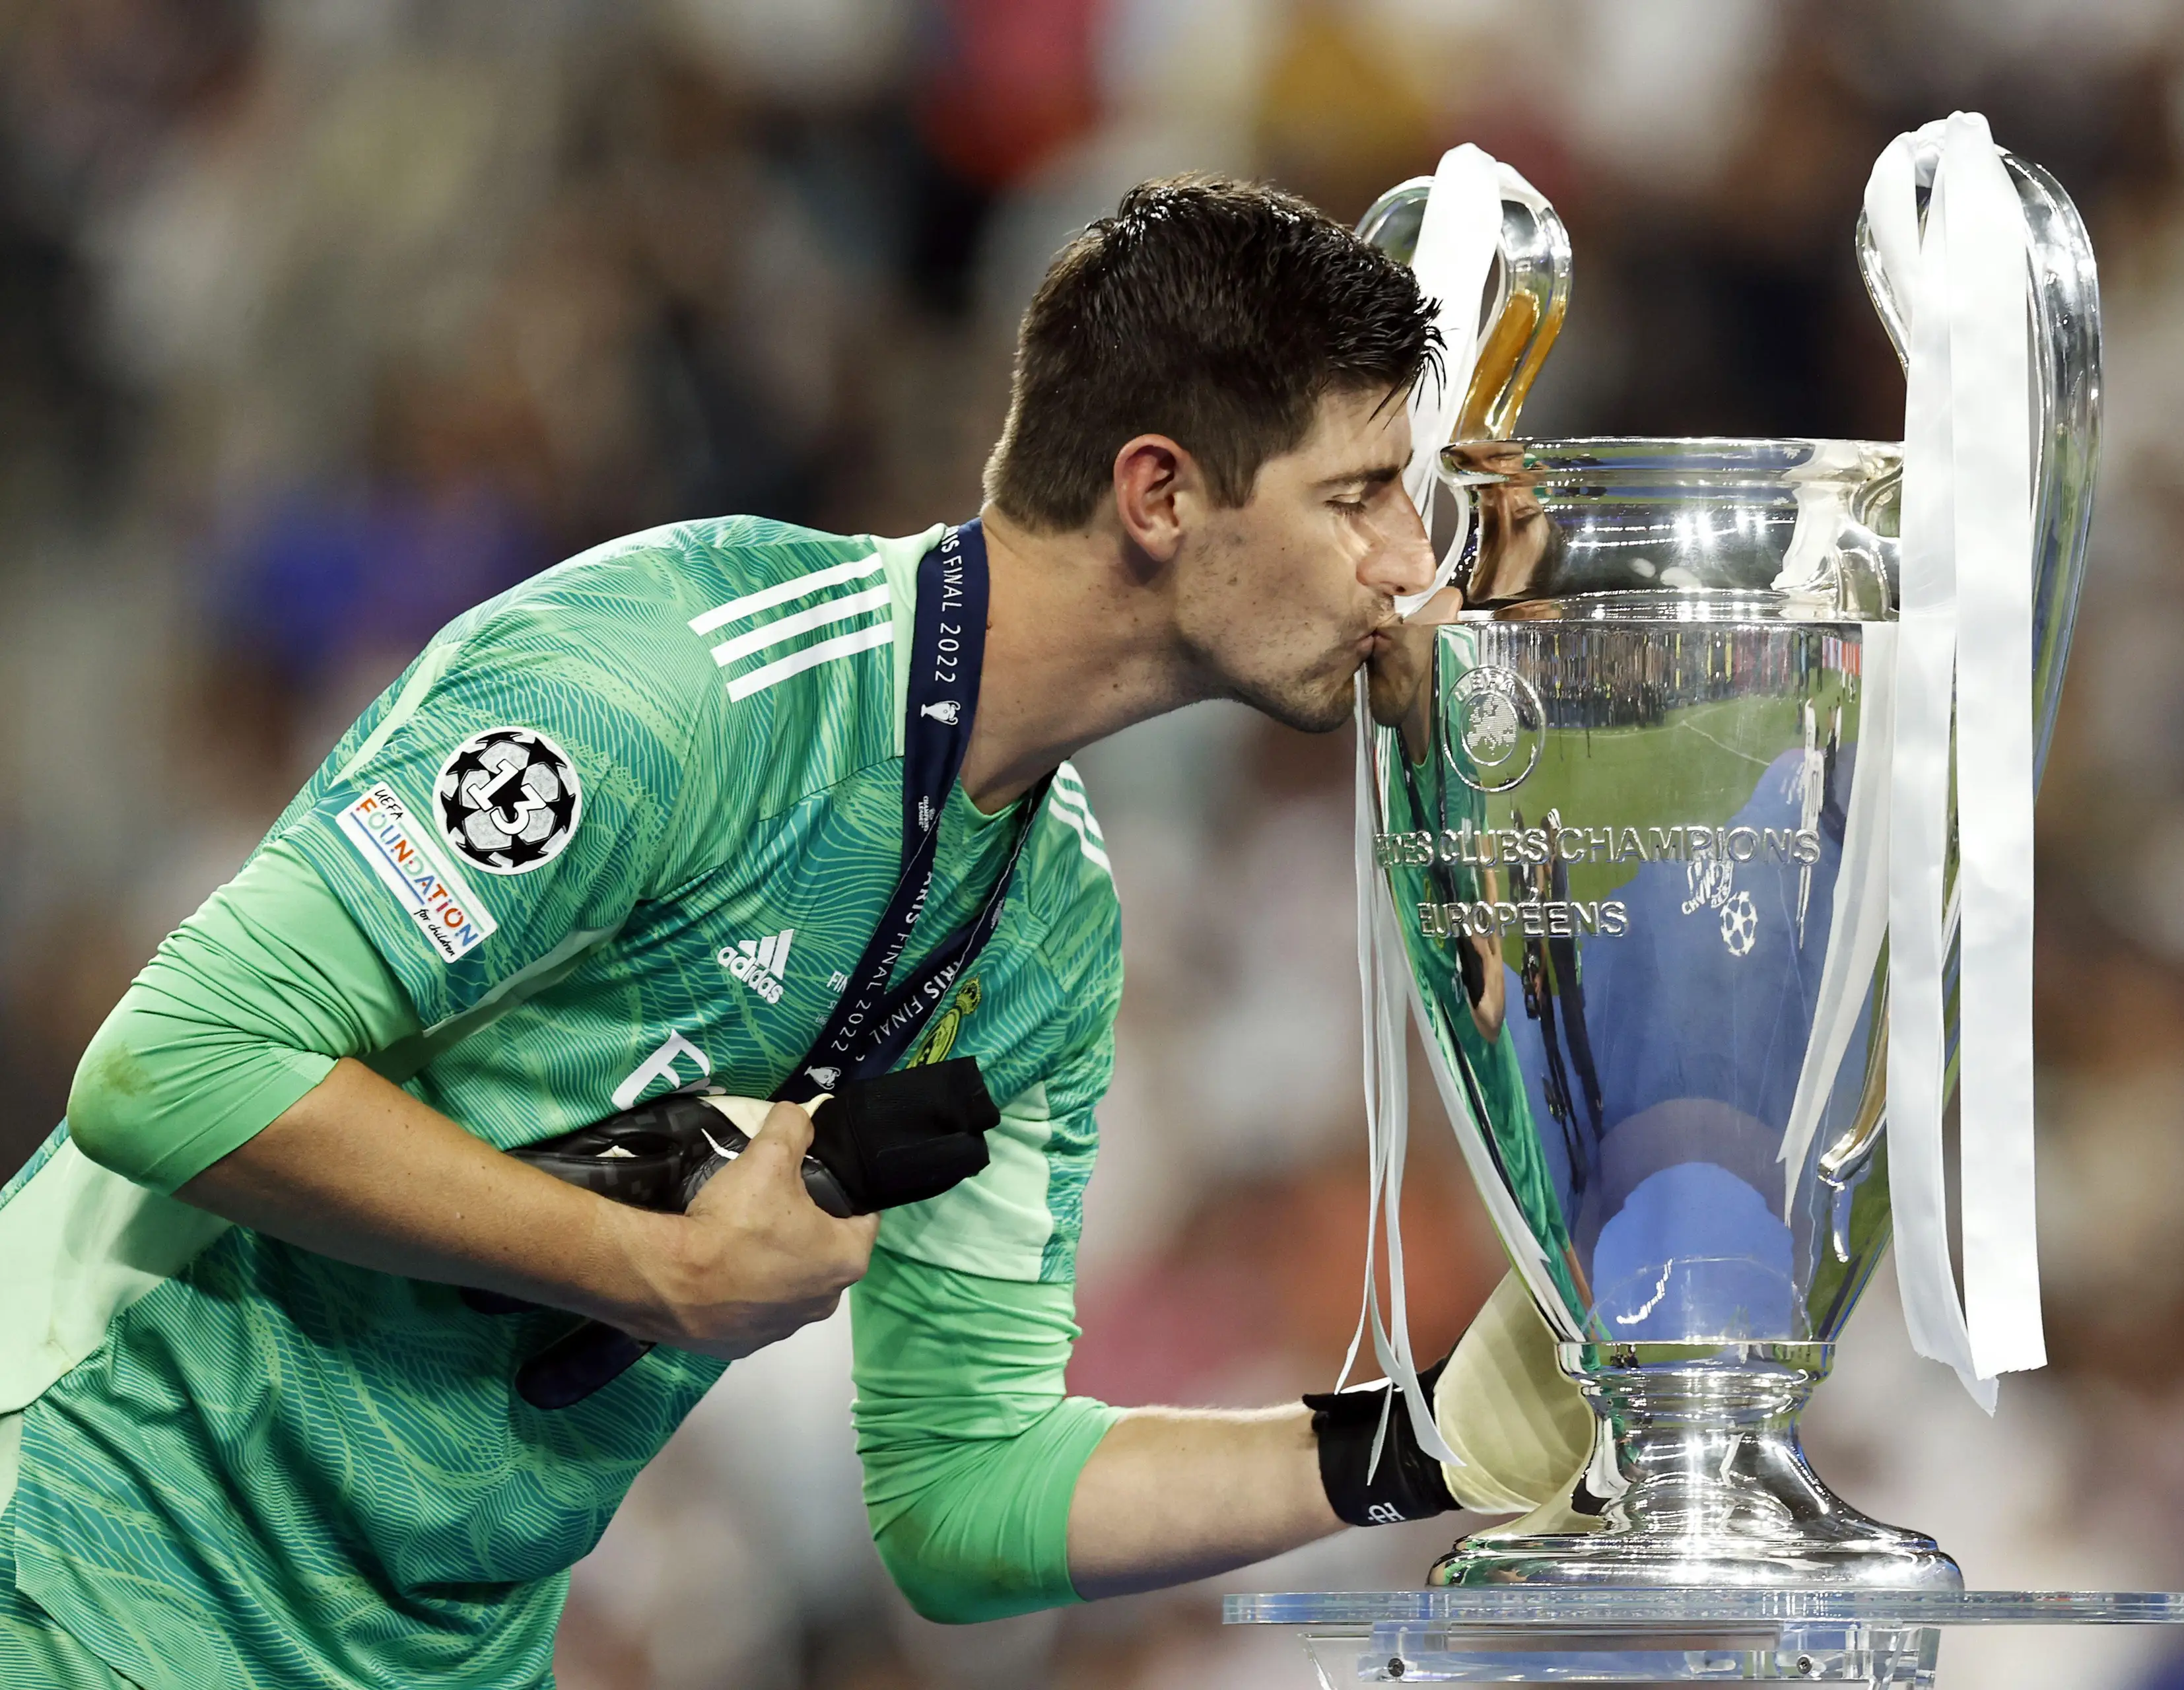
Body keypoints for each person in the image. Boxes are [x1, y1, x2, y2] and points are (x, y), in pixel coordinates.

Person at [0, 175, 1585, 1690]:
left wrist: (1428, 1445)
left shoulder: (1049, 928)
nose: (1409, 562)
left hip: (431, 1647)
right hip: (86, 1535)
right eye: (1359, 495)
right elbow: (170, 1067)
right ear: (1158, 493)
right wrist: (649, 1263)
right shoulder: (680, 675)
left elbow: (964, 1496)